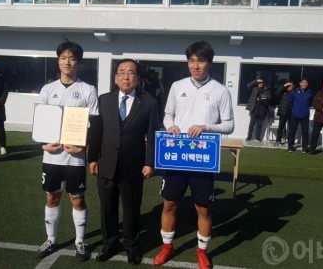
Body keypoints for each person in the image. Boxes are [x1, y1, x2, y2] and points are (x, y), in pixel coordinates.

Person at [153, 41, 234, 269]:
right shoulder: (177, 86)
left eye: (201, 60)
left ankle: (201, 251)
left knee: (203, 208)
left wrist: (207, 126)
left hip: (202, 158)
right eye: (192, 61)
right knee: (169, 203)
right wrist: (170, 126)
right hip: (177, 155)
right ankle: (167, 246)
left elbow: (229, 125)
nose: (196, 65)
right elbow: (168, 115)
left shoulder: (220, 90)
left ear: (209, 62)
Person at [87, 59, 159, 265]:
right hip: (106, 163)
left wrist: (150, 162)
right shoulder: (103, 100)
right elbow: (96, 132)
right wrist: (92, 158)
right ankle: (109, 244)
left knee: (132, 210)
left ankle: (132, 247)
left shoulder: (149, 102)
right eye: (121, 73)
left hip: (133, 166)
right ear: (115, 78)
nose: (126, 77)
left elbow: (152, 135)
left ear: (138, 78)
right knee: (107, 208)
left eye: (131, 73)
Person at [35, 40, 98, 262]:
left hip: (76, 158)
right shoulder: (47, 89)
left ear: (78, 62)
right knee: (52, 197)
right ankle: (51, 239)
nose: (67, 62)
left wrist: (83, 146)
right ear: (58, 61)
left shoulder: (88, 90)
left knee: (77, 199)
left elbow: (94, 124)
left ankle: (80, 241)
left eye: (71, 58)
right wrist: (43, 144)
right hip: (51, 156)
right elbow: (40, 122)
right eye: (63, 58)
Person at [287, 78, 313, 153]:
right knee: (292, 131)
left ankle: (304, 148)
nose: (305, 84)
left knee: (305, 132)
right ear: (300, 83)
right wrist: (293, 110)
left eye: (306, 83)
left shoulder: (310, 92)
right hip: (295, 115)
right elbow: (290, 102)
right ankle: (290, 147)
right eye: (303, 82)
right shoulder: (294, 91)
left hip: (305, 115)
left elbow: (310, 102)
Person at [245, 77, 271, 141]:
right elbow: (248, 86)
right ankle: (249, 136)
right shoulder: (254, 89)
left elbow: (270, 98)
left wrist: (262, 97)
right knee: (251, 124)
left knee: (259, 125)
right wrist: (255, 80)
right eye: (259, 83)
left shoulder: (266, 90)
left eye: (261, 83)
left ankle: (257, 137)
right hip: (254, 109)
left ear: (263, 83)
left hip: (262, 109)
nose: (260, 84)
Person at [275, 80, 294, 145]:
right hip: (283, 111)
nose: (289, 87)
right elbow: (276, 93)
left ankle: (289, 140)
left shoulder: (295, 92)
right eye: (288, 85)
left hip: (291, 112)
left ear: (293, 86)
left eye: (290, 85)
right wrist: (284, 86)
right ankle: (278, 140)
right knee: (280, 127)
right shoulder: (283, 91)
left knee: (291, 127)